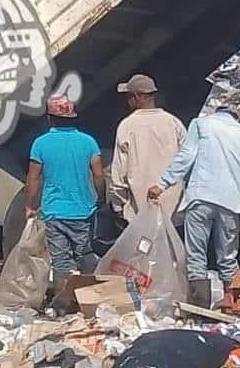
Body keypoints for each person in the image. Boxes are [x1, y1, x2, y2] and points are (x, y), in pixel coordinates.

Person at [147, 106, 240, 308]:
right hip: (233, 204)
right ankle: (233, 305)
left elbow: (186, 158)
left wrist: (163, 184)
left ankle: (199, 309)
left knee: (196, 256)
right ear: (235, 117)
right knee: (227, 258)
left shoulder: (201, 124)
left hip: (202, 198)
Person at [24, 95, 106, 297]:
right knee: (85, 254)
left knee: (60, 260)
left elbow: (33, 178)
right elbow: (98, 175)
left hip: (54, 211)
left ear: (50, 118)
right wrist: (100, 198)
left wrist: (29, 205)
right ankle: (91, 297)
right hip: (83, 210)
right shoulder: (88, 142)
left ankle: (63, 302)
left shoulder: (40, 144)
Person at [111, 74, 186, 221]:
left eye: (129, 96)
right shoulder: (174, 122)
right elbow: (186, 161)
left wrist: (118, 205)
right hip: (174, 211)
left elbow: (119, 172)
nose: (127, 100)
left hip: (139, 211)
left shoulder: (127, 125)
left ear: (137, 97)